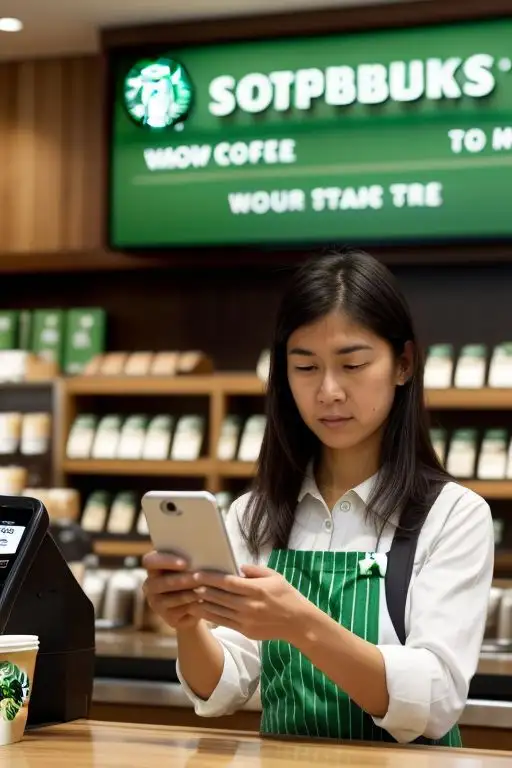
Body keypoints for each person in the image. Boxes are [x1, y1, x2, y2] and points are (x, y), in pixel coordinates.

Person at [143, 250, 494, 746]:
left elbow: (434, 702)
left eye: (352, 364)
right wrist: (186, 624)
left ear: (404, 363)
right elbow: (221, 691)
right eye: (305, 367)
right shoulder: (254, 514)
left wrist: (301, 624)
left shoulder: (452, 515)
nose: (329, 390)